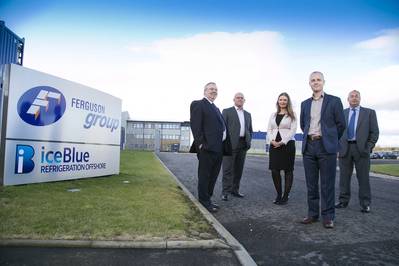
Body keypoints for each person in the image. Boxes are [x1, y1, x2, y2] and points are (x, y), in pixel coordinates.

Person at [300, 71, 346, 229]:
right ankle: (313, 214)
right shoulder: (304, 104)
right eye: (313, 80)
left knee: (327, 184)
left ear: (323, 82)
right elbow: (303, 124)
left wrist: (330, 138)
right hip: (309, 146)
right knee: (311, 184)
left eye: (318, 79)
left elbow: (341, 125)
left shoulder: (334, 101)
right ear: (309, 83)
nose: (316, 82)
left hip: (326, 147)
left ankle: (328, 216)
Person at [190, 82, 231, 213]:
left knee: (213, 176)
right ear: (205, 91)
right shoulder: (198, 104)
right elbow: (196, 126)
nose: (214, 91)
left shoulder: (216, 108)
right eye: (211, 89)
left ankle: (208, 199)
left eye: (216, 89)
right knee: (205, 175)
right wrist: (201, 144)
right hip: (207, 148)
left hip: (218, 148)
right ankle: (203, 201)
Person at [335, 90, 379, 213]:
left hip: (362, 150)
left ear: (360, 99)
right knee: (344, 178)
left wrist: (368, 147)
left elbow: (374, 132)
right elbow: (336, 132)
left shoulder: (369, 113)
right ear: (348, 99)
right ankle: (343, 201)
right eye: (352, 96)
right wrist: (338, 147)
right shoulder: (341, 113)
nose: (354, 98)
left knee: (363, 178)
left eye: (356, 96)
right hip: (345, 149)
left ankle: (365, 204)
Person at [221, 92, 253, 201]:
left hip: (243, 144)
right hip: (229, 145)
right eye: (238, 98)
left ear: (244, 100)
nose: (240, 99)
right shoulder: (227, 111)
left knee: (239, 169)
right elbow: (222, 128)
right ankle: (225, 192)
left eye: (242, 98)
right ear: (234, 100)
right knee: (227, 169)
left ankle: (235, 190)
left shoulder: (248, 114)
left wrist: (248, 141)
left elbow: (250, 130)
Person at [266, 92, 297, 205]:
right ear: (278, 101)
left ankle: (285, 196)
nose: (282, 101)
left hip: (287, 145)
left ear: (287, 102)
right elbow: (269, 129)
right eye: (280, 99)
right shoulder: (273, 115)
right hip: (274, 145)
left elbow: (293, 130)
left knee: (288, 170)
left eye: (285, 100)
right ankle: (279, 194)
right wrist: (272, 140)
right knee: (274, 170)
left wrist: (282, 142)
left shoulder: (292, 114)